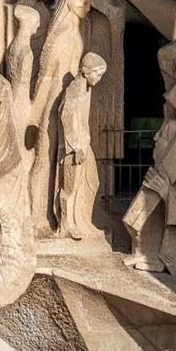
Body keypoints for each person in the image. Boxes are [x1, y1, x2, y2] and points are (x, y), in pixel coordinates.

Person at [56, 52, 107, 240]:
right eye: (98, 74)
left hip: (84, 145)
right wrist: (75, 146)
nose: (99, 79)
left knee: (92, 182)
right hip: (73, 148)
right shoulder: (74, 90)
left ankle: (83, 221)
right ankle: (66, 225)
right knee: (69, 187)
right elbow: (66, 118)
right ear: (86, 72)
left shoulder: (86, 88)